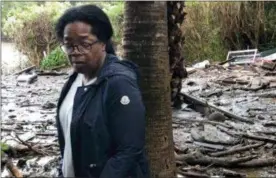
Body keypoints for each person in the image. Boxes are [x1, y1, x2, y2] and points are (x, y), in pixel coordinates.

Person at [54, 4, 149, 178]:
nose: (75, 52)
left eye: (84, 44)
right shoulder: (74, 79)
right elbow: (70, 139)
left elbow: (129, 149)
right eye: (69, 45)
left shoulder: (119, 83)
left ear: (103, 43)